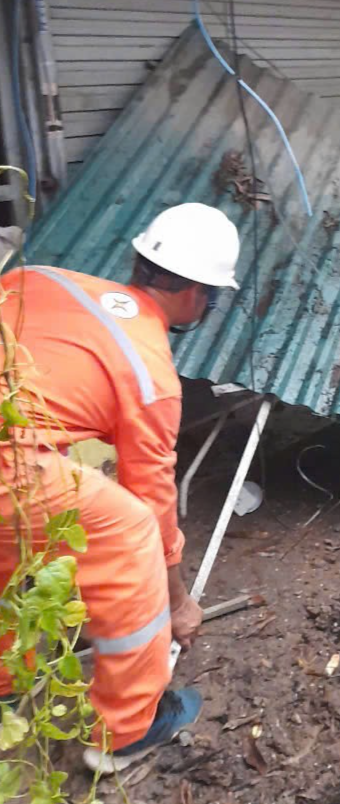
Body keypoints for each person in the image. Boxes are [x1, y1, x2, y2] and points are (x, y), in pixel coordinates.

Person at [0, 203, 240, 773]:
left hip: (11, 457)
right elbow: (153, 500)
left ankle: (5, 681)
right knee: (131, 530)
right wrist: (178, 603)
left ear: (139, 261)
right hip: (10, 461)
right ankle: (130, 727)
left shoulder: (38, 278)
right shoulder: (150, 372)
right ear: (198, 296)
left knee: (11, 537)